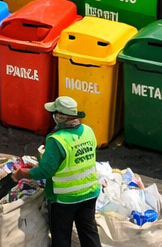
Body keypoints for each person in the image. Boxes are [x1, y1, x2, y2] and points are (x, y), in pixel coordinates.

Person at [20, 96, 102, 247]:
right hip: (90, 193)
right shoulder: (88, 131)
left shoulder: (56, 140)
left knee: (61, 237)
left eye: (55, 113)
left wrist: (22, 174)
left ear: (60, 117)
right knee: (89, 233)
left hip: (65, 199)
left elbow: (45, 171)